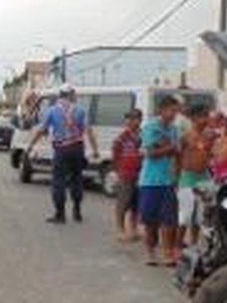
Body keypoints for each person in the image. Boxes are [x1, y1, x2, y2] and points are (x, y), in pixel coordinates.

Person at [26, 84, 99, 223]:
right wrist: (95, 150)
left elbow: (42, 130)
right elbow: (89, 131)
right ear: (71, 95)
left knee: (58, 181)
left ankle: (60, 214)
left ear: (60, 95)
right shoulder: (80, 110)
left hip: (61, 149)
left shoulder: (52, 111)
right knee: (77, 179)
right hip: (78, 148)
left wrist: (31, 146)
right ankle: (77, 210)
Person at [138, 95, 181, 265]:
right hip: (149, 181)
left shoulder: (174, 129)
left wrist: (176, 175)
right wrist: (169, 147)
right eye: (171, 111)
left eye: (176, 112)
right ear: (162, 109)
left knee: (168, 220)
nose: (173, 115)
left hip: (167, 181)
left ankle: (167, 252)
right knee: (150, 221)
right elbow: (150, 153)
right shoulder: (150, 127)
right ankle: (150, 252)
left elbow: (175, 152)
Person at [176, 102, 215, 254]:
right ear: (193, 118)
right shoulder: (185, 136)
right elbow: (177, 157)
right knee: (185, 216)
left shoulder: (209, 135)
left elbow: (210, 155)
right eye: (202, 116)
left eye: (206, 116)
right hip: (188, 177)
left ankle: (193, 244)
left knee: (199, 216)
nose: (205, 119)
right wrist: (176, 176)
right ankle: (177, 246)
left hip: (204, 177)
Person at [111, 109, 143, 242]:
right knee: (123, 202)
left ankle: (133, 228)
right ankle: (120, 229)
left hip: (141, 173)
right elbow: (115, 155)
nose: (132, 122)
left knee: (136, 202)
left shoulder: (143, 135)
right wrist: (118, 171)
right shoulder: (122, 137)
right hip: (126, 173)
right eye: (130, 119)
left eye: (136, 118)